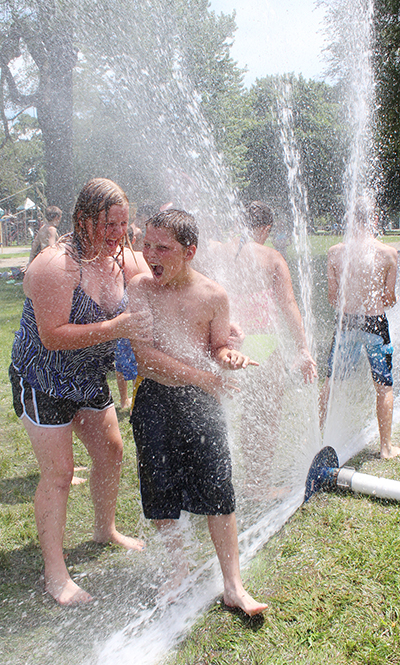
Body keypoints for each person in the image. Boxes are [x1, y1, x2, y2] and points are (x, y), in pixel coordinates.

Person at [9, 179, 155, 606]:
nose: (120, 233)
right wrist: (116, 328)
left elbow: (164, 285)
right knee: (59, 473)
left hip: (88, 378)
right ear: (85, 218)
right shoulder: (55, 266)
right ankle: (56, 576)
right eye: (110, 224)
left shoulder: (122, 259)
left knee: (111, 452)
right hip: (43, 378)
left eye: (125, 224)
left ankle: (104, 529)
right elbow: (52, 336)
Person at [126, 209, 268, 616]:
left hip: (201, 407)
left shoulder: (213, 296)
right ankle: (178, 568)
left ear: (189, 251)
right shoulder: (140, 288)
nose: (150, 254)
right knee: (160, 491)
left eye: (162, 248)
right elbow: (145, 358)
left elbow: (218, 347)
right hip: (155, 400)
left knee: (218, 493)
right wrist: (205, 378)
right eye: (147, 244)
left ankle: (234, 585)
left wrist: (230, 357)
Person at [208, 201, 317, 497]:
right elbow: (289, 304)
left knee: (234, 411)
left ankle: (225, 479)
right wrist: (303, 348)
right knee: (265, 413)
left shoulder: (215, 250)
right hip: (262, 342)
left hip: (225, 341)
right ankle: (257, 484)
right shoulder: (271, 257)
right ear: (266, 228)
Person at [319, 195, 400, 459]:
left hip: (346, 323)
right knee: (383, 386)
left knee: (331, 381)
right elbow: (389, 299)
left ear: (350, 219)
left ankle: (320, 440)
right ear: (374, 219)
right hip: (374, 323)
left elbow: (333, 298)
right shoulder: (388, 254)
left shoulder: (335, 252)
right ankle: (386, 448)